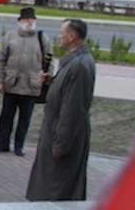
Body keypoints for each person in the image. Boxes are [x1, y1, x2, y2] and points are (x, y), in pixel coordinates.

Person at [27, 19, 95, 201]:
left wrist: (60, 145)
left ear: (72, 37)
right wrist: (51, 82)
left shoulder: (79, 66)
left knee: (57, 189)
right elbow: (66, 92)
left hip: (62, 138)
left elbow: (72, 109)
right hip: (56, 131)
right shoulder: (74, 61)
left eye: (62, 32)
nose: (59, 36)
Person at [0, 7, 53, 157]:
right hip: (11, 85)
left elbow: (50, 60)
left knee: (25, 119)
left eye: (32, 19)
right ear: (19, 21)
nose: (29, 22)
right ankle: (2, 144)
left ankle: (19, 146)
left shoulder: (42, 38)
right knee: (6, 117)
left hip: (31, 87)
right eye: (26, 19)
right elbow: (0, 60)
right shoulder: (9, 36)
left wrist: (48, 75)